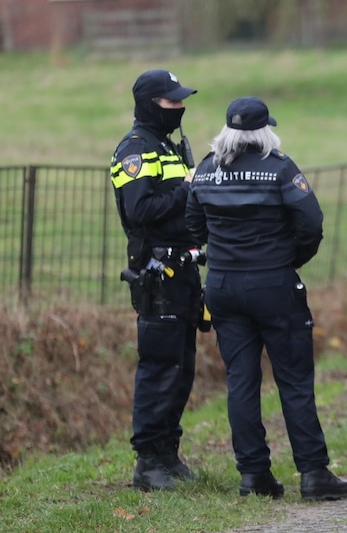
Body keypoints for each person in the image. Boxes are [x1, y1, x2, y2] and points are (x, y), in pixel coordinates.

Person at [185, 96, 347, 501]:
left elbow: (192, 225)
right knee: (294, 380)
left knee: (240, 381)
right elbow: (311, 222)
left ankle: (253, 476)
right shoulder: (279, 168)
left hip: (223, 287)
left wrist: (226, 253)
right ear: (265, 131)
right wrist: (288, 259)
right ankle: (313, 474)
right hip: (274, 285)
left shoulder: (205, 170)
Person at [110, 69, 205, 492]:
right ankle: (148, 462)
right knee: (159, 367)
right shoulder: (135, 150)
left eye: (181, 101)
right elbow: (140, 211)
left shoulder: (169, 146)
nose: (180, 107)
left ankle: (168, 453)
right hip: (156, 271)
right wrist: (188, 187)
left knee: (183, 366)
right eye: (172, 102)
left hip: (183, 270)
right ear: (151, 104)